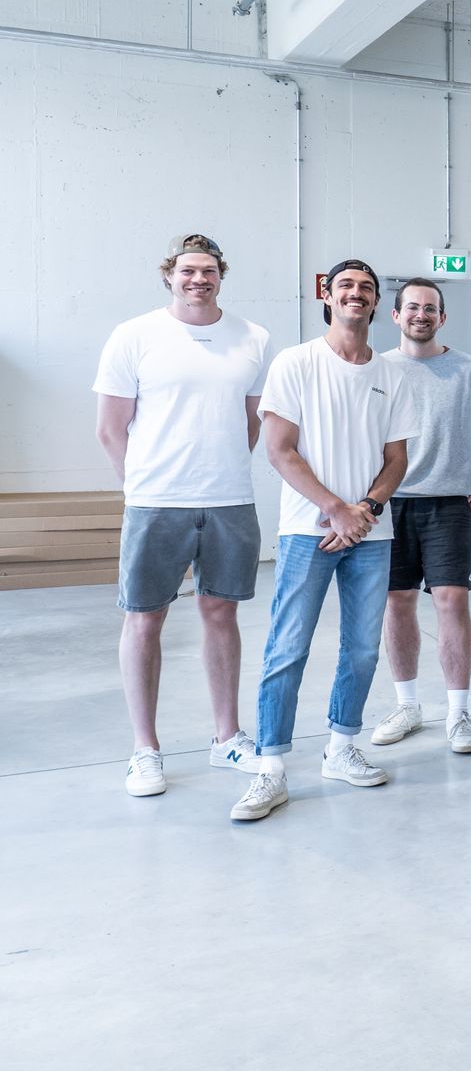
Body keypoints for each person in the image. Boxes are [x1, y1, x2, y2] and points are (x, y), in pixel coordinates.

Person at [231, 259, 418, 822]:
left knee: (362, 648)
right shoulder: (296, 362)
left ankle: (341, 748)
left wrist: (366, 510)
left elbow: (396, 458)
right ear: (328, 297)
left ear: (377, 303)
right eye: (346, 286)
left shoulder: (392, 374)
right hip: (306, 531)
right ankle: (270, 768)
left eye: (366, 287)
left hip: (371, 532)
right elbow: (279, 449)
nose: (356, 293)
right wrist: (336, 510)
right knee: (287, 647)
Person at [94, 233, 270, 797]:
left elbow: (250, 422)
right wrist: (143, 487)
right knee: (144, 619)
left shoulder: (253, 338)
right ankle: (144, 750)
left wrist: (215, 471)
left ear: (221, 276)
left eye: (209, 270)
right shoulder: (134, 335)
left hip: (229, 500)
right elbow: (110, 429)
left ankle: (228, 738)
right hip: (155, 501)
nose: (199, 279)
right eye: (188, 270)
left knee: (221, 615)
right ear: (169, 275)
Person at [370, 277, 471, 756]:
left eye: (430, 308)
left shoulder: (468, 370)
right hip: (391, 503)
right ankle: (407, 706)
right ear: (396, 315)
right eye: (412, 307)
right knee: (397, 602)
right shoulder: (378, 368)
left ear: (442, 317)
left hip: (449, 504)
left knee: (451, 601)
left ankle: (458, 712)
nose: (421, 315)